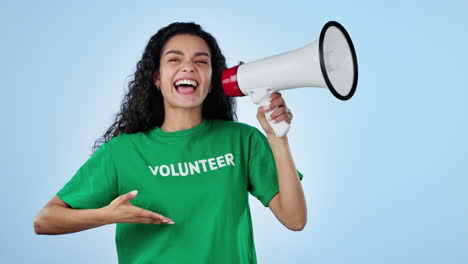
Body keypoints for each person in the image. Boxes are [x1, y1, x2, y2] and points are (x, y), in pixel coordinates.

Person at [33, 22, 307, 264]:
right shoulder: (122, 152)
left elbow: (295, 220)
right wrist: (107, 215)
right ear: (156, 78)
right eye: (174, 60)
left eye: (201, 61)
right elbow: (45, 220)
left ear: (212, 81)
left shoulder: (241, 140)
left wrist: (277, 139)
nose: (188, 66)